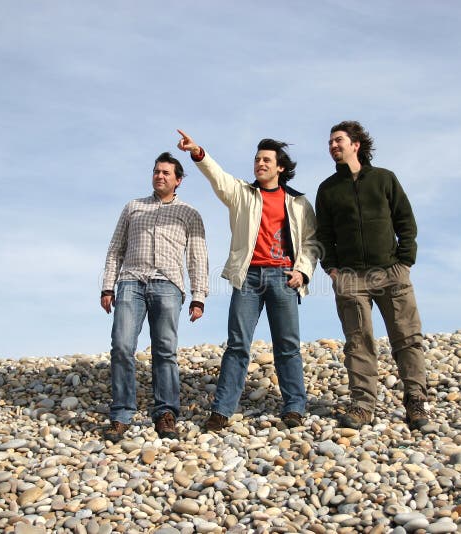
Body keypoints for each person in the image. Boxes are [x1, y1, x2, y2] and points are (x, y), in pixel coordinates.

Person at [176, 129, 319, 431]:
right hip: (249, 277)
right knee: (238, 345)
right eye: (257, 159)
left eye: (267, 160)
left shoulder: (299, 202)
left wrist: (303, 271)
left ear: (280, 167)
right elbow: (218, 177)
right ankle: (222, 411)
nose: (260, 164)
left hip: (283, 277)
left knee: (287, 345)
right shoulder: (242, 193)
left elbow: (311, 241)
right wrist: (198, 152)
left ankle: (294, 407)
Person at [315, 120, 429, 430]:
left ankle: (415, 402)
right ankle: (362, 405)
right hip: (351, 278)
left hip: (392, 272)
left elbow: (405, 220)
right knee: (358, 342)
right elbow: (323, 234)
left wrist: (405, 260)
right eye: (330, 142)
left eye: (338, 140)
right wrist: (333, 269)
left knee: (406, 338)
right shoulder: (327, 189)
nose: (333, 146)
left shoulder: (384, 179)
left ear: (356, 145)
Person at [100, 152, 208, 441]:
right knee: (121, 346)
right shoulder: (133, 207)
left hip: (168, 284)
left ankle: (165, 413)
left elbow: (198, 257)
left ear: (178, 180)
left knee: (165, 350)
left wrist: (199, 296)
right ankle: (121, 414)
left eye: (166, 173)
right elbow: (115, 248)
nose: (159, 176)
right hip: (131, 282)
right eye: (156, 171)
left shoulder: (190, 213)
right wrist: (107, 286)